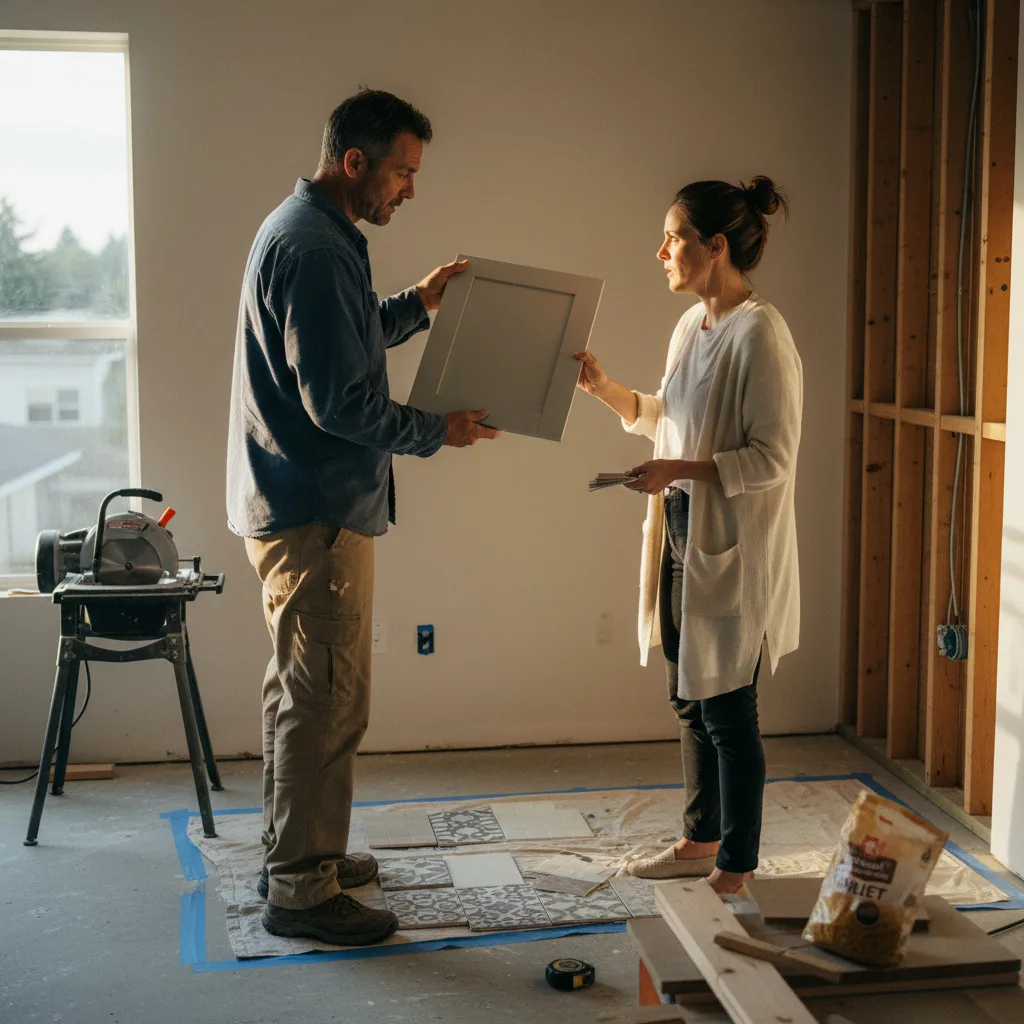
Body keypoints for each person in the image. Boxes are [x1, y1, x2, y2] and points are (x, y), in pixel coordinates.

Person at [226, 88, 500, 946]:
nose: (409, 190)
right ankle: (302, 889)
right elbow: (339, 401)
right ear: (355, 162)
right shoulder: (314, 248)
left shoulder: (309, 232)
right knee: (327, 702)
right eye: (402, 172)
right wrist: (438, 431)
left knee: (301, 692)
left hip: (293, 502)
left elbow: (342, 343)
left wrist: (417, 302)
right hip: (315, 512)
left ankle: (296, 854)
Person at [574, 177, 802, 895]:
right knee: (687, 693)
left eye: (673, 238)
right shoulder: (690, 328)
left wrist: (677, 469)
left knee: (728, 704)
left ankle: (735, 864)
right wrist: (606, 389)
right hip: (680, 529)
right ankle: (699, 839)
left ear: (716, 246)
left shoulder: (760, 333)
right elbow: (668, 417)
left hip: (730, 540)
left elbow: (772, 458)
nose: (661, 251)